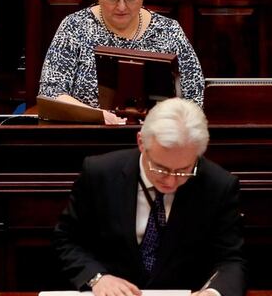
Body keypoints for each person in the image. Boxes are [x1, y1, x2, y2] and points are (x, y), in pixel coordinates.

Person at [53, 97, 246, 296]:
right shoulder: (100, 173)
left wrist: (214, 292)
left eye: (183, 171)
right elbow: (66, 240)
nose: (170, 182)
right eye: (160, 168)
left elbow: (231, 260)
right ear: (141, 143)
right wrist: (98, 278)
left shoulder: (218, 185)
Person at [38, 0, 205, 123]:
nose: (121, 7)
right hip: (89, 135)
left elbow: (194, 98)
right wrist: (101, 117)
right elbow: (51, 95)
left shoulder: (169, 31)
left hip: (156, 141)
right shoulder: (74, 27)